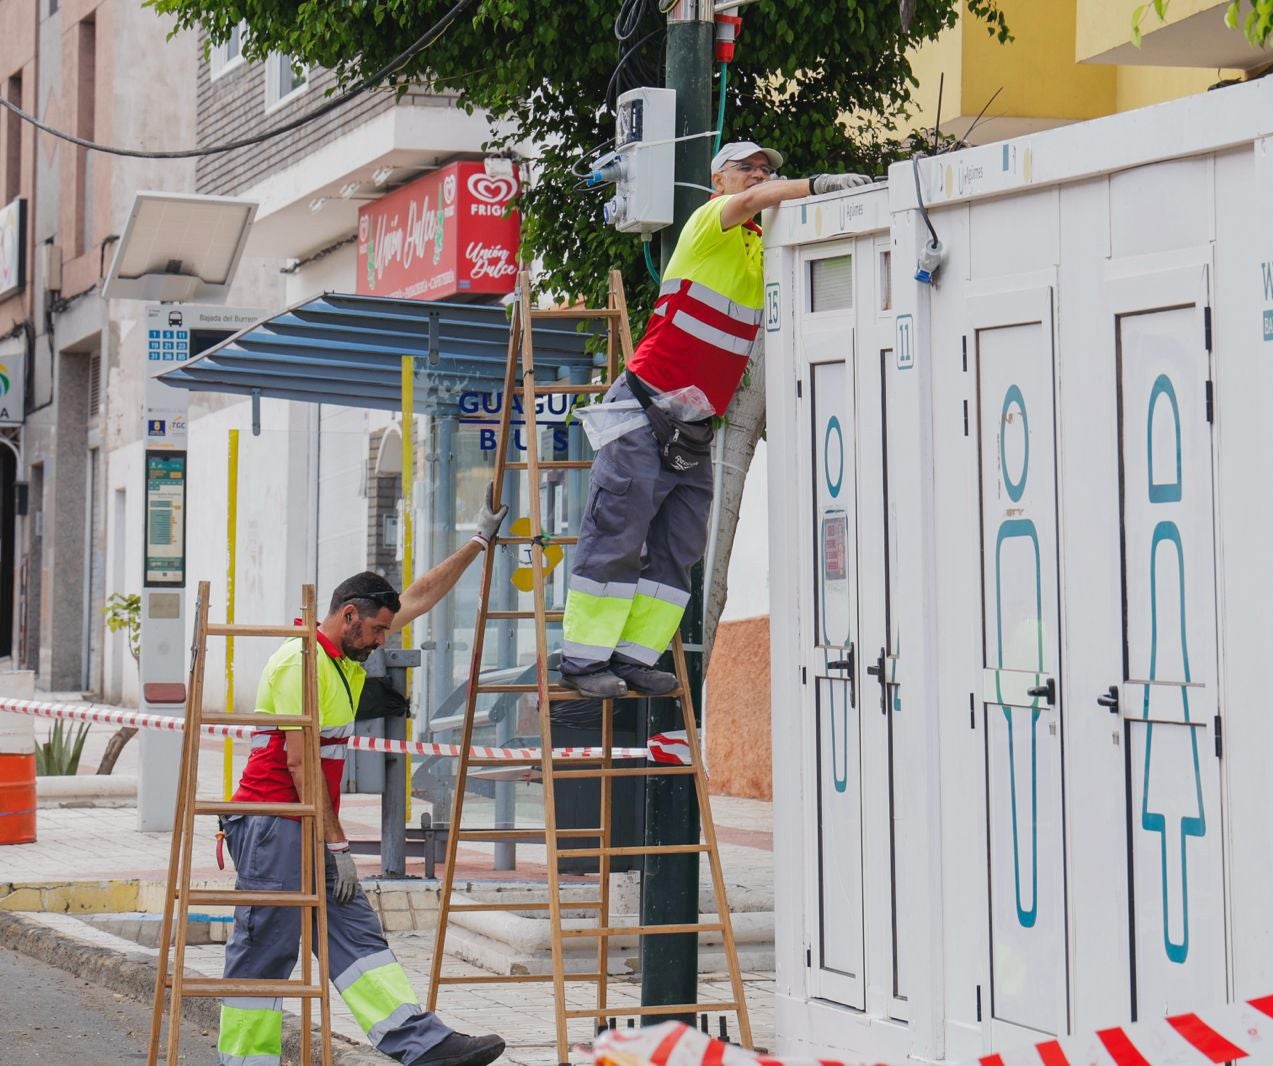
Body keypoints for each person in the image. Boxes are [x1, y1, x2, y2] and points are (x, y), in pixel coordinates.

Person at [558, 141, 872, 697]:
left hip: (693, 427)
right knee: (617, 538)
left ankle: (633, 658)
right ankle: (583, 662)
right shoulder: (709, 222)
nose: (757, 175)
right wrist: (816, 185)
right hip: (645, 411)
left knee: (679, 548)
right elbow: (752, 203)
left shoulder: (757, 246)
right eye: (745, 168)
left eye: (765, 169)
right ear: (717, 180)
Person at [217, 488, 509, 1066]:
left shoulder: (341, 655)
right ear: (348, 615)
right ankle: (245, 1062)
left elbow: (418, 596)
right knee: (266, 948)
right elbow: (300, 766)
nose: (382, 642)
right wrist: (338, 846)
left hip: (302, 824)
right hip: (274, 821)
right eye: (377, 631)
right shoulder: (301, 661)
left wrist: (478, 541)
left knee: (356, 936)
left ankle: (421, 1044)